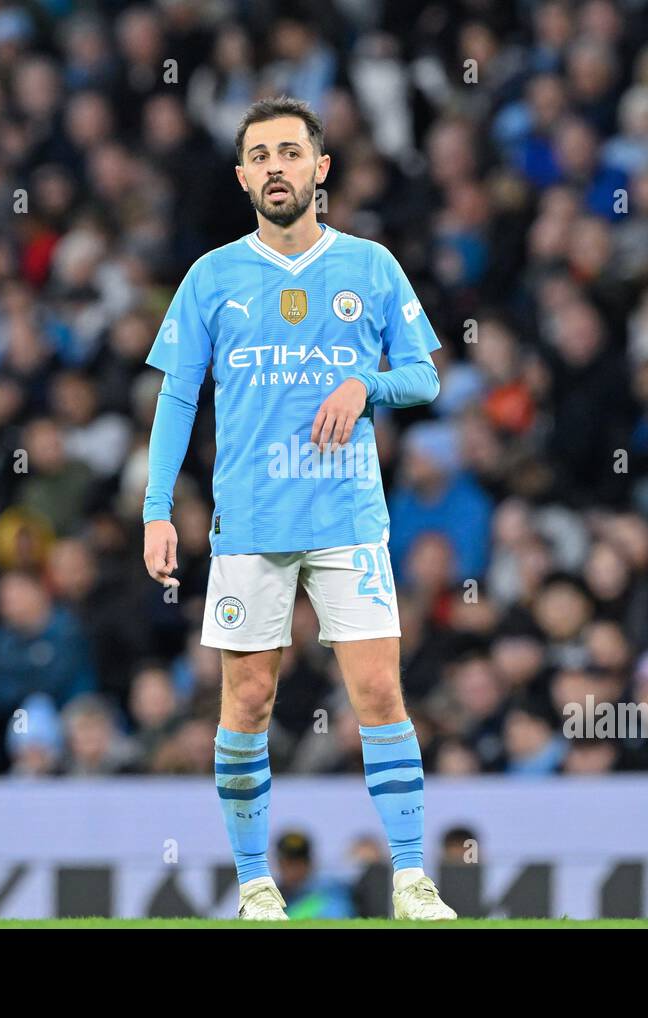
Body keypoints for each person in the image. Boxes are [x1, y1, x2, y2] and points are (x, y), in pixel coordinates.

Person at [141, 96, 453, 921]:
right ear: (243, 177)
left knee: (381, 694)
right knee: (246, 703)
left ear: (321, 169)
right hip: (250, 523)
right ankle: (253, 882)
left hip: (349, 517)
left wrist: (366, 384)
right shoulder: (212, 276)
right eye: (260, 156)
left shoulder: (371, 265)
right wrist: (155, 508)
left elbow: (425, 374)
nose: (276, 166)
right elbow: (178, 397)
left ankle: (413, 879)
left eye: (290, 152)